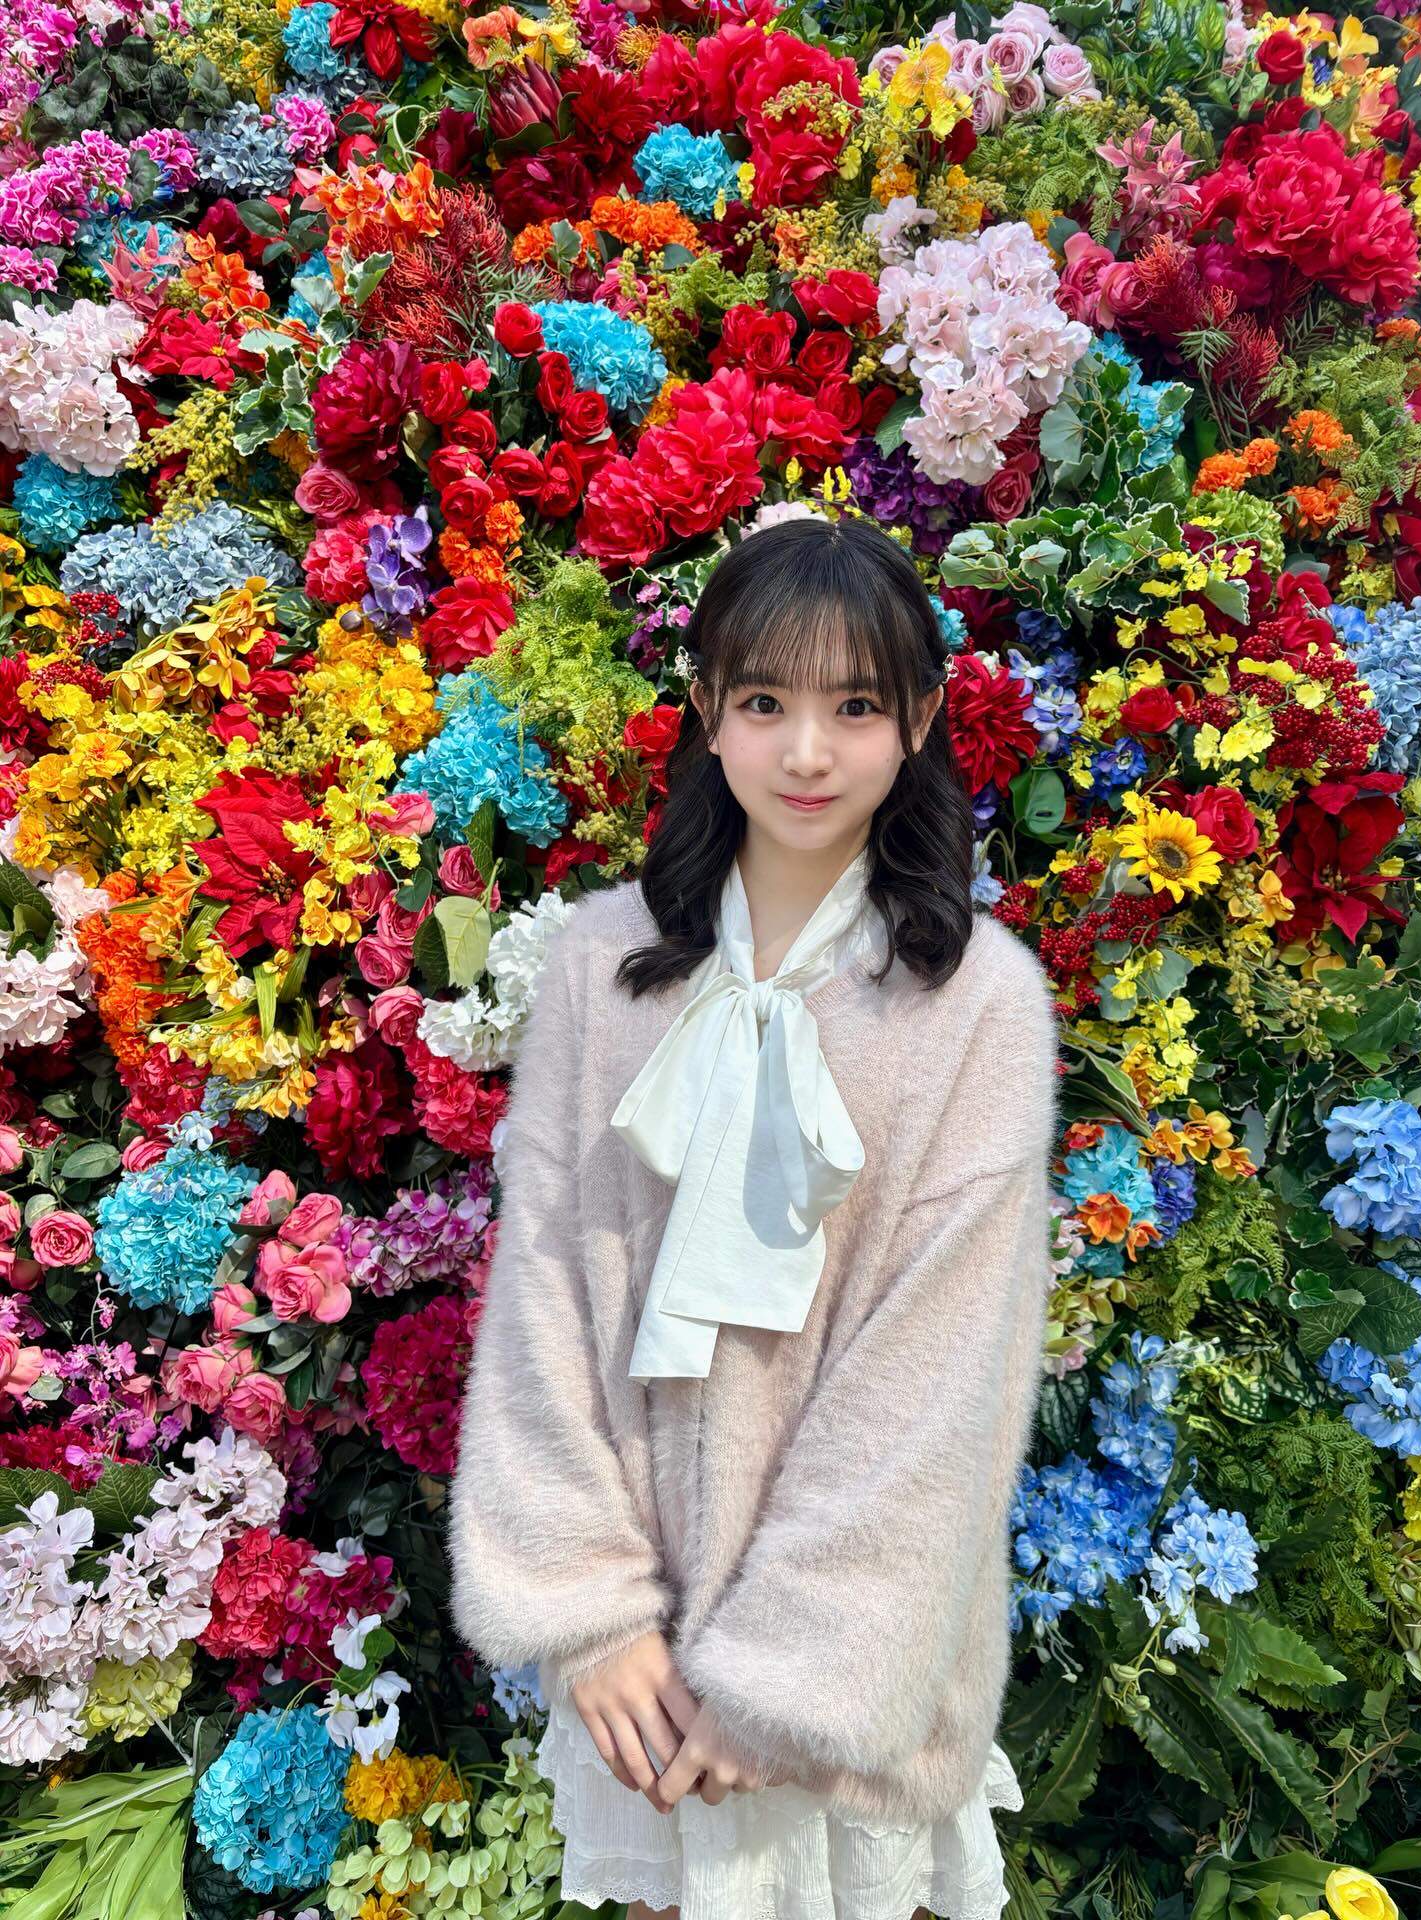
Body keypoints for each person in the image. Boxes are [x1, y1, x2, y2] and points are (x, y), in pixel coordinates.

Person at [448, 514, 1060, 1920]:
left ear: (919, 720)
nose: (806, 752)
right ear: (709, 709)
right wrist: (589, 1609)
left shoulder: (977, 1004)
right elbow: (542, 1296)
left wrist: (787, 1675)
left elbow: (943, 1376)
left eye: (856, 706)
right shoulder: (603, 965)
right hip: (643, 1670)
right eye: (767, 701)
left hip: (857, 1669)